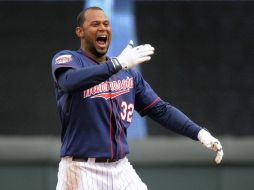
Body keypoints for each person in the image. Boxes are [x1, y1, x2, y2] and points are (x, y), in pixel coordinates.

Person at [51, 6, 223, 190]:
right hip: (81, 169)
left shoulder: (127, 74)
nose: (102, 28)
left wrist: (199, 133)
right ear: (80, 32)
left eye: (106, 24)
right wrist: (117, 63)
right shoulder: (69, 59)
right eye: (95, 24)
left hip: (120, 167)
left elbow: (160, 109)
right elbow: (68, 81)